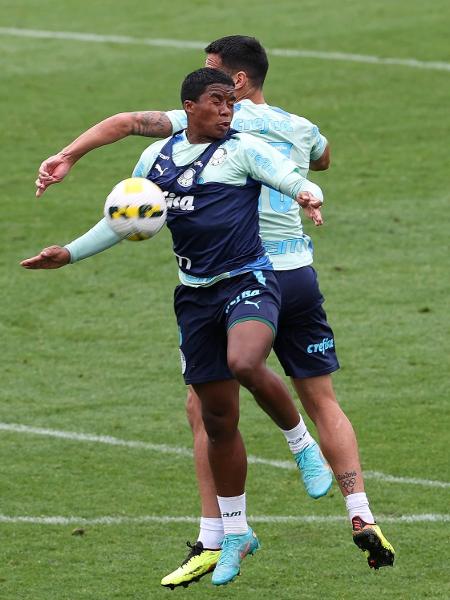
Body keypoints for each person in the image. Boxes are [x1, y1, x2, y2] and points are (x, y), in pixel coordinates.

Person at [34, 36, 395, 587]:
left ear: (238, 84)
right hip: (220, 287)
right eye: (214, 98)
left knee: (238, 375)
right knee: (225, 410)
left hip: (255, 277)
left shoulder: (233, 143)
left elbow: (130, 119)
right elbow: (321, 157)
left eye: (226, 92)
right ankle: (272, 525)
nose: (224, 106)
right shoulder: (276, 129)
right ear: (196, 105)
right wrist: (69, 252)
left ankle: (290, 462)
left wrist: (306, 193)